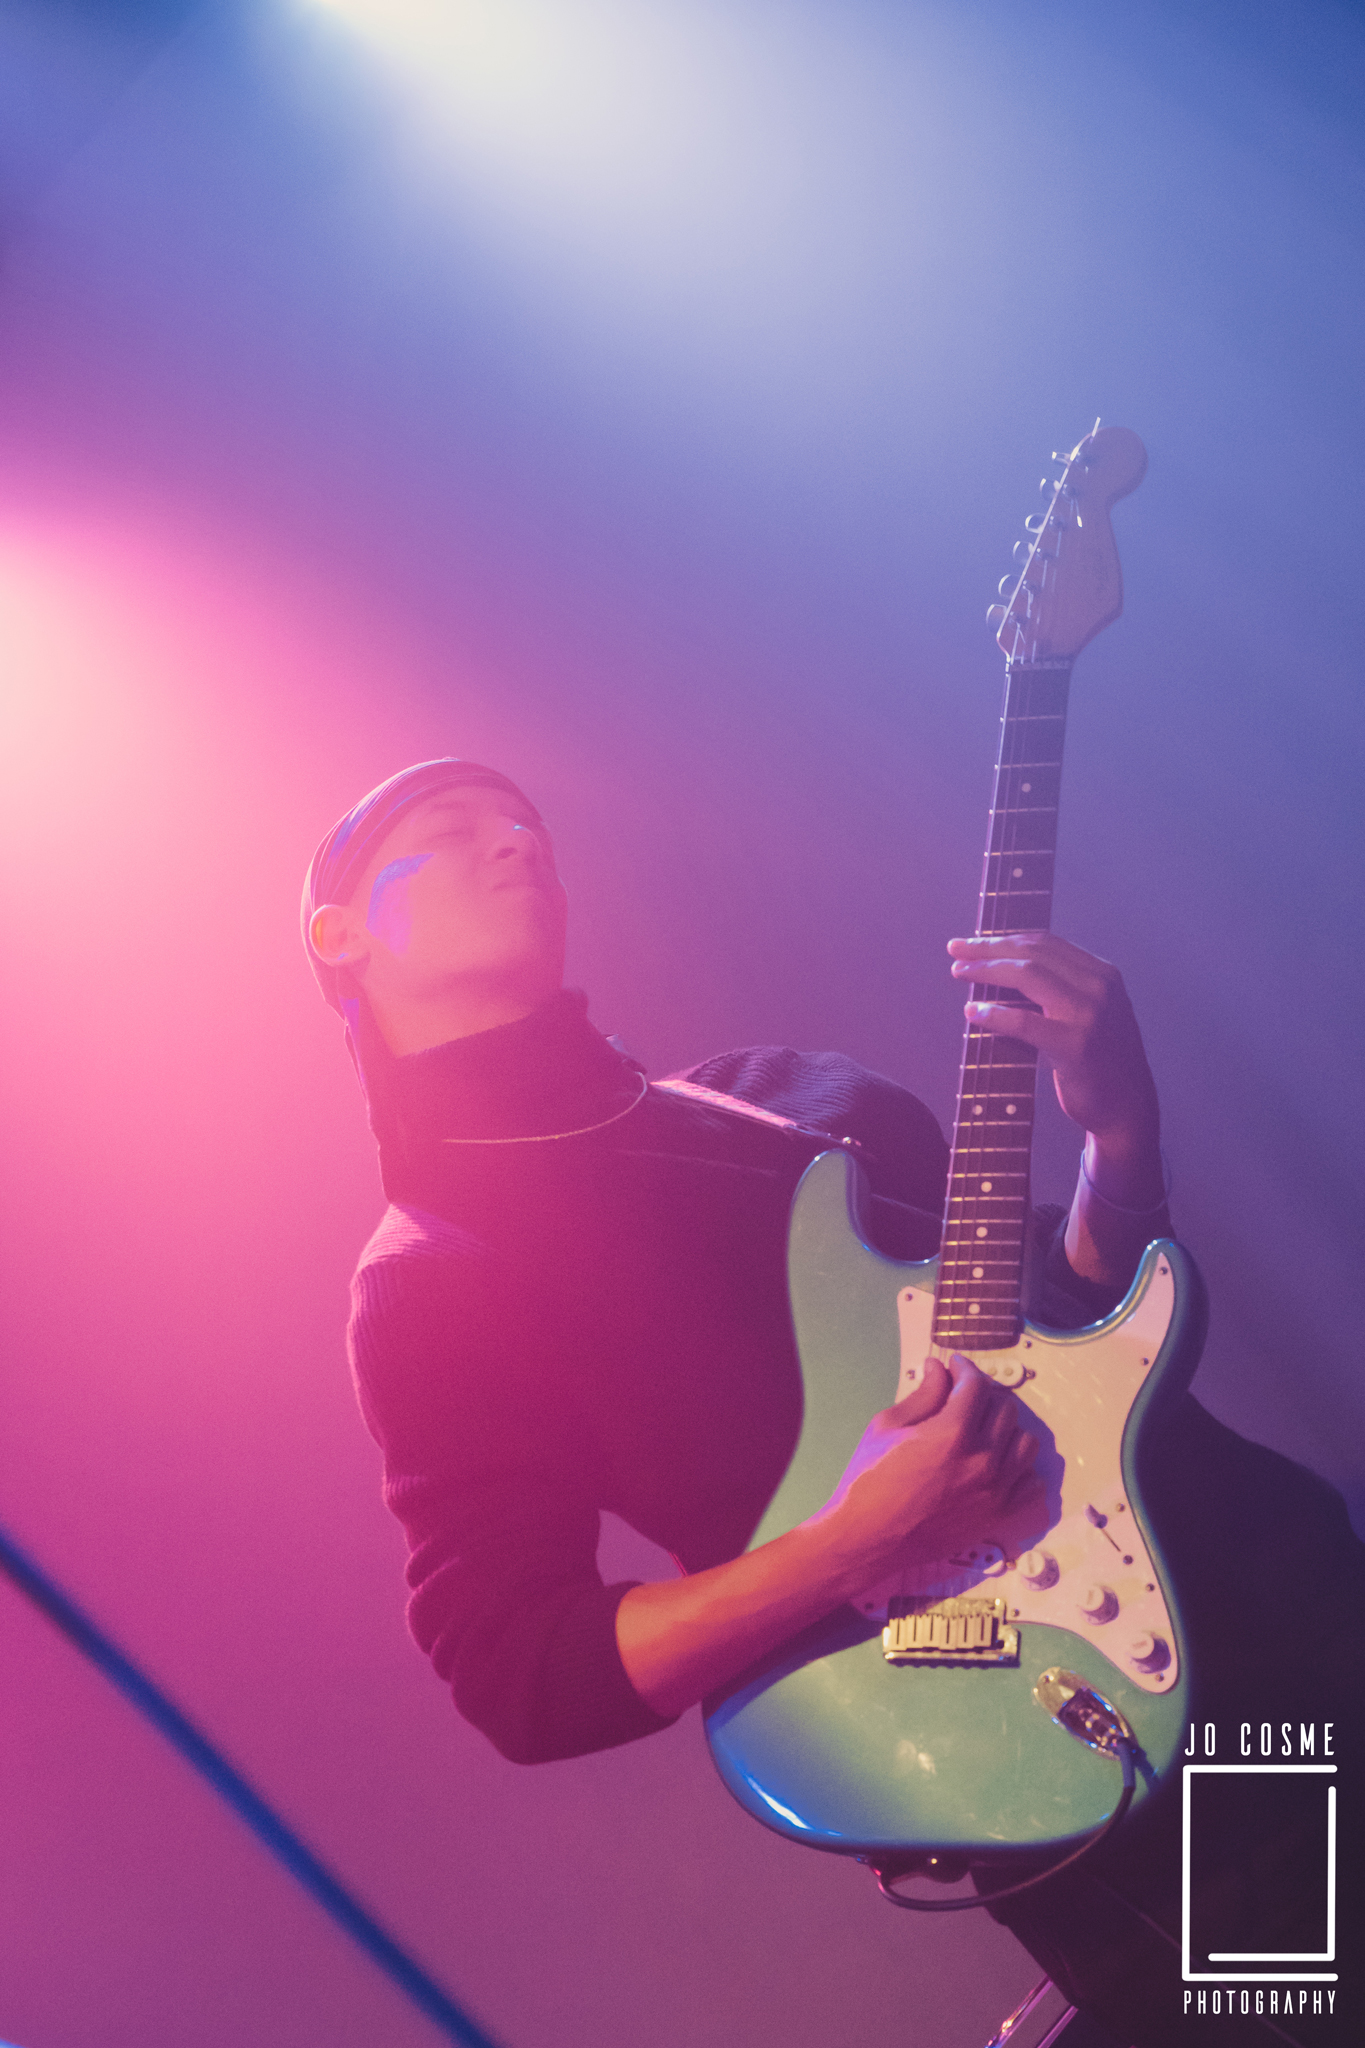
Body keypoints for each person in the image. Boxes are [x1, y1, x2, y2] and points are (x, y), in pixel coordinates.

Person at [302, 757, 1361, 2048]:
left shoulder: (787, 1095)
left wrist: (1119, 1136)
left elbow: (1073, 1332)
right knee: (1306, 2003)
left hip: (1282, 1595)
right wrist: (856, 1538)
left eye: (527, 822)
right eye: (454, 827)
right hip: (1082, 1750)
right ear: (338, 937)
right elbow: (522, 1671)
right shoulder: (433, 1272)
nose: (517, 840)